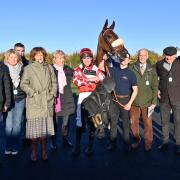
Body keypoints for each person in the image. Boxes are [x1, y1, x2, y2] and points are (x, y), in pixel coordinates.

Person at [20, 47, 57, 161]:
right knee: (34, 132)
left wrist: (52, 94)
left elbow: (54, 82)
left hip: (47, 101)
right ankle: (34, 151)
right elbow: (23, 84)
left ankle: (44, 151)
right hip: (34, 103)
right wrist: (33, 94)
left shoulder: (49, 67)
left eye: (41, 55)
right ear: (33, 57)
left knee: (44, 131)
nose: (40, 57)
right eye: (37, 55)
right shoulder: (28, 68)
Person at [101, 54, 138, 151]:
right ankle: (113, 143)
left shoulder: (131, 73)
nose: (123, 59)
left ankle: (126, 143)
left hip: (125, 101)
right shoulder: (113, 70)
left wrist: (129, 103)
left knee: (125, 124)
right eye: (122, 57)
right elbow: (101, 67)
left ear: (129, 60)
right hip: (114, 100)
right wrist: (103, 59)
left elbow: (135, 90)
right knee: (113, 123)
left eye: (126, 58)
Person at [72, 48, 105, 156]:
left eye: (89, 57)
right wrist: (92, 79)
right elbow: (77, 81)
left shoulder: (96, 68)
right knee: (79, 123)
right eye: (84, 58)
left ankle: (90, 147)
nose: (86, 59)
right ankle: (77, 147)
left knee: (94, 122)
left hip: (94, 97)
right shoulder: (78, 69)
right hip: (83, 97)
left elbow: (102, 77)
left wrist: (88, 78)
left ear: (92, 58)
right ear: (82, 59)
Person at [130, 48, 158, 151]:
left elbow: (155, 87)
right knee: (134, 124)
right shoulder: (132, 68)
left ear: (147, 56)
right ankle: (136, 140)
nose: (142, 57)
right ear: (138, 56)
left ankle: (148, 143)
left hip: (147, 103)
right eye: (140, 55)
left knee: (148, 124)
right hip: (134, 102)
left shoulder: (152, 69)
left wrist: (154, 102)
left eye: (144, 55)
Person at [156, 46, 180, 154]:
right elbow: (153, 78)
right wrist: (156, 89)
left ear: (175, 55)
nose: (168, 58)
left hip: (177, 97)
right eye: (166, 55)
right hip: (164, 98)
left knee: (177, 121)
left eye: (170, 56)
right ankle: (165, 141)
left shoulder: (179, 63)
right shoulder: (159, 64)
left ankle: (178, 143)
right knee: (164, 121)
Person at [51, 50, 75, 150]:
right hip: (55, 100)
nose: (61, 60)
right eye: (59, 58)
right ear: (54, 59)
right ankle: (53, 142)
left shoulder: (68, 69)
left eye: (62, 58)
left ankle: (65, 140)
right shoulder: (50, 69)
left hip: (67, 99)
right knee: (55, 123)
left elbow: (78, 77)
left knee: (66, 123)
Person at [3, 49, 26, 156]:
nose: (13, 59)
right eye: (11, 57)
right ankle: (8, 146)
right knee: (8, 125)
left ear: (18, 58)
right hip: (8, 100)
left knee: (17, 124)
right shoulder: (3, 68)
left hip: (20, 99)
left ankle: (15, 146)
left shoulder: (23, 68)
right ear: (7, 58)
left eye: (15, 57)